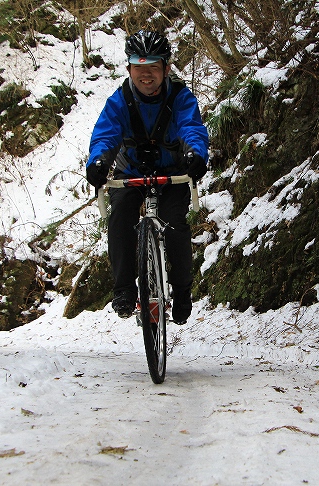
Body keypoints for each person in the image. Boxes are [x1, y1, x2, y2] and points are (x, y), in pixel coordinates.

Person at [85, 30, 209, 323]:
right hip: (131, 174)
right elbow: (105, 135)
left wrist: (196, 154)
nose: (146, 74)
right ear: (129, 69)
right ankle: (125, 290)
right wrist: (99, 162)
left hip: (172, 176)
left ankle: (181, 292)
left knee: (175, 223)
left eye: (153, 67)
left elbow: (191, 127)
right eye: (139, 67)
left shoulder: (181, 98)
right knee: (120, 217)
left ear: (166, 68)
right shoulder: (119, 101)